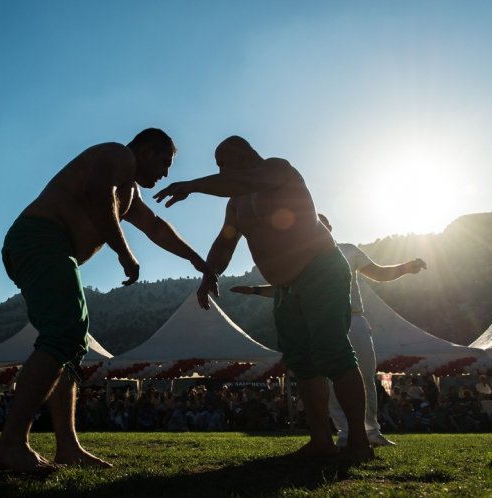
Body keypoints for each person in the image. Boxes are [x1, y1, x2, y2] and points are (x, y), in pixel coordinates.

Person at [0, 128, 216, 474]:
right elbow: (98, 196)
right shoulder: (117, 155)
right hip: (40, 237)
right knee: (65, 332)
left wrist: (194, 257)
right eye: (165, 163)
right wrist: (124, 253)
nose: (166, 173)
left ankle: (67, 446)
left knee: (68, 344)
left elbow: (155, 226)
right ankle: (11, 444)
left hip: (46, 248)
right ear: (146, 150)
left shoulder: (129, 189)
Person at [153, 135, 372, 461]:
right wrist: (209, 274)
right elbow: (226, 241)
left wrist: (192, 186)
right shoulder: (235, 202)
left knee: (332, 351)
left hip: (321, 269)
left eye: (221, 163)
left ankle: (358, 440)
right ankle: (320, 440)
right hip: (286, 286)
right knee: (303, 363)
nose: (220, 171)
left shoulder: (276, 169)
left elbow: (243, 180)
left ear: (239, 156)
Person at [232, 213, 427, 447]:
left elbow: (380, 273)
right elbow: (283, 289)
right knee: (332, 378)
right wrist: (253, 291)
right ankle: (345, 432)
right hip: (319, 322)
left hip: (353, 318)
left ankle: (371, 431)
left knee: (364, 374)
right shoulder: (300, 260)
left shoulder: (348, 250)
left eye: (319, 224)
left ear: (329, 228)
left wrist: (406, 267)